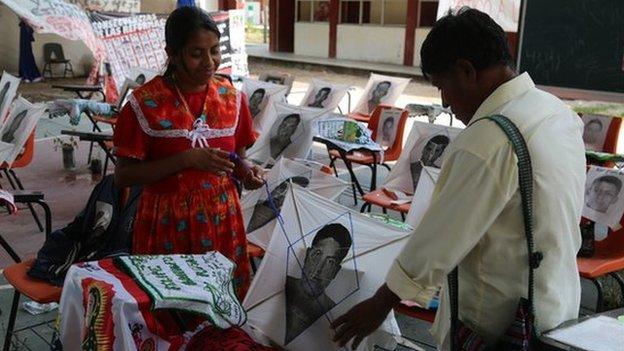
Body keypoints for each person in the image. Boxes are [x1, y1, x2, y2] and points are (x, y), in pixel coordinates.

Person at [332, 8, 586, 350]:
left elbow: (438, 240)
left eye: (441, 87)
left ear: (466, 70)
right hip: (556, 304)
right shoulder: (555, 112)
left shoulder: (488, 140)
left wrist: (380, 304)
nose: (444, 102)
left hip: (499, 324)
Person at [113, 7, 264, 299]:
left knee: (221, 307)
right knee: (173, 309)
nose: (210, 63)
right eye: (197, 53)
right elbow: (123, 176)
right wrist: (185, 160)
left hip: (222, 220)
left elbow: (239, 160)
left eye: (215, 51)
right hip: (166, 223)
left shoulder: (232, 99)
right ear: (172, 52)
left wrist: (249, 173)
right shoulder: (145, 103)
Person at [285, 223, 352, 344]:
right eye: (317, 255)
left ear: (335, 272)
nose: (317, 270)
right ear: (307, 255)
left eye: (330, 262)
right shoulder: (282, 287)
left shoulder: (333, 313)